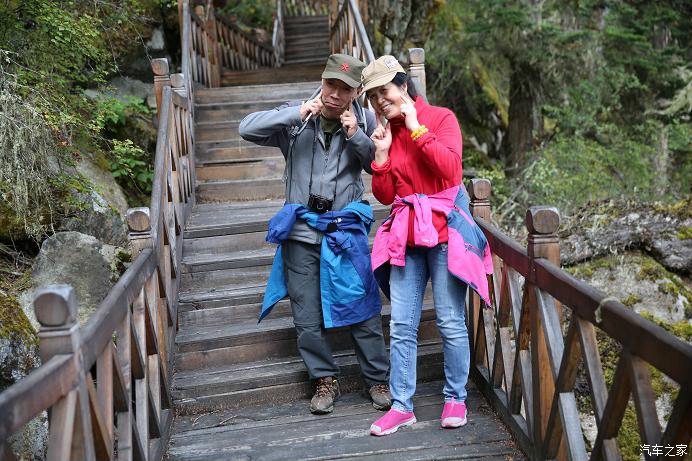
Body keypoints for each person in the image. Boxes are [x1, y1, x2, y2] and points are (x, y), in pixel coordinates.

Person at [238, 54, 391, 415]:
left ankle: (377, 380)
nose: (335, 94)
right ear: (321, 81)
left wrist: (356, 136)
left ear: (356, 92)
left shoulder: (367, 121)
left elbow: (378, 166)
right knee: (306, 316)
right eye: (330, 85)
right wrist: (296, 113)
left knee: (363, 310)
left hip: (344, 234)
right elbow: (246, 128)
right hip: (301, 234)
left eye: (344, 89)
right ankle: (324, 380)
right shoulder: (298, 118)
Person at [360, 56, 493, 436]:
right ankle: (402, 406)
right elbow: (386, 195)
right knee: (402, 323)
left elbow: (451, 172)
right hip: (408, 236)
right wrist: (381, 155)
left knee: (450, 320)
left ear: (403, 86)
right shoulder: (385, 134)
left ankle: (455, 398)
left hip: (445, 233)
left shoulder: (440, 118)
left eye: (384, 91)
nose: (380, 101)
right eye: (373, 96)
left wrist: (417, 128)